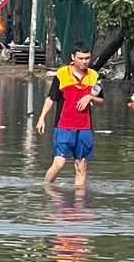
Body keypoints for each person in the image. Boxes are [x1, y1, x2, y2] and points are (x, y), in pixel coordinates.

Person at [37, 44, 103, 189]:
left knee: (81, 166)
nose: (84, 61)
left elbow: (101, 101)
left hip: (84, 127)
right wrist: (42, 118)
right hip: (63, 126)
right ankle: (46, 188)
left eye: (87, 58)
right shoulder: (62, 75)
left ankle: (79, 203)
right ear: (73, 58)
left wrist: (90, 98)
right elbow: (50, 98)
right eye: (81, 58)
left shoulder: (94, 76)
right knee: (59, 163)